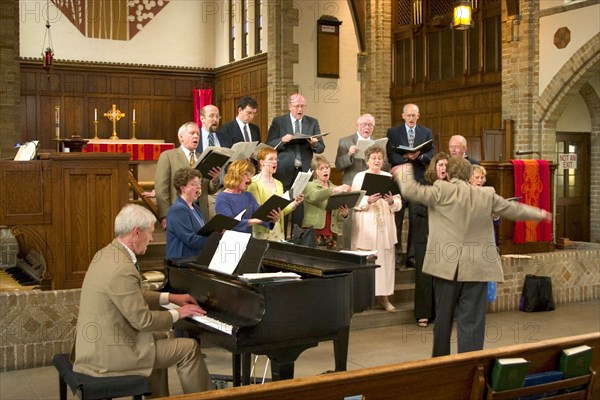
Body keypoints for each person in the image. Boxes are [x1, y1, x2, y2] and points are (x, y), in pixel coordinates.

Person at [394, 158, 552, 357]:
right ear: (469, 176)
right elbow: (513, 209)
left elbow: (411, 190)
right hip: (477, 268)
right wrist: (540, 214)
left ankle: (441, 364)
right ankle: (470, 366)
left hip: (447, 267)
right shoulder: (487, 194)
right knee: (472, 323)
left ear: (449, 174)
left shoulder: (441, 189)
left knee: (443, 320)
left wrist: (405, 169)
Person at [73, 204, 213, 397]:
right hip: (109, 354)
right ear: (136, 232)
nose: (152, 238)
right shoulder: (122, 269)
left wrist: (170, 297)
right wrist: (178, 313)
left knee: (164, 338)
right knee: (189, 348)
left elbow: (131, 296)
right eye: (150, 232)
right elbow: (143, 321)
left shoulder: (107, 253)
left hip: (100, 342)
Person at [351, 145, 402, 312]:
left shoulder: (388, 177)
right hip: (367, 225)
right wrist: (368, 201)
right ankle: (364, 300)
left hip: (385, 227)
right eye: (373, 158)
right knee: (368, 261)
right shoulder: (359, 177)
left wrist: (391, 201)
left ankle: (384, 299)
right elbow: (354, 202)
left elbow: (398, 203)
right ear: (367, 160)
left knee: (385, 263)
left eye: (380, 158)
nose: (377, 161)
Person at [387, 103, 435, 268]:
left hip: (418, 180)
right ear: (403, 116)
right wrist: (407, 157)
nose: (411, 118)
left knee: (417, 220)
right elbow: (391, 154)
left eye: (414, 115)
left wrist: (419, 158)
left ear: (418, 116)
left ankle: (412, 257)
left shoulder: (426, 132)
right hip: (399, 180)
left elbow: (431, 154)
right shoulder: (393, 132)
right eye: (408, 115)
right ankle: (397, 256)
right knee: (397, 220)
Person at [335, 113, 389, 249]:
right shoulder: (345, 141)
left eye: (370, 125)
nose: (367, 127)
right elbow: (338, 165)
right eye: (364, 124)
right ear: (357, 126)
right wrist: (349, 155)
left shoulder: (378, 144)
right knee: (350, 222)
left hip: (372, 184)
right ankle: (348, 252)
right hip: (352, 185)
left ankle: (369, 252)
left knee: (368, 221)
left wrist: (377, 160)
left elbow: (386, 165)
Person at [155, 121, 221, 230]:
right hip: (179, 210)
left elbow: (208, 189)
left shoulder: (203, 158)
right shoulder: (168, 156)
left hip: (201, 212)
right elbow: (161, 188)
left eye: (198, 134)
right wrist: (165, 215)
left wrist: (214, 179)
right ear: (181, 137)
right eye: (192, 133)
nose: (196, 136)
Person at [411, 152, 449, 327]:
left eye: (446, 166)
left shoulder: (451, 187)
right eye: (440, 165)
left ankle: (440, 312)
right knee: (424, 275)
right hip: (425, 234)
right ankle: (423, 313)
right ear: (434, 167)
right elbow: (417, 208)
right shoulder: (424, 184)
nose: (443, 168)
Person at [266, 93, 325, 191]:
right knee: (285, 203)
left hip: (305, 171)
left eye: (302, 106)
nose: (300, 109)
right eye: (297, 106)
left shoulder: (312, 122)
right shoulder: (279, 122)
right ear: (289, 107)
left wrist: (314, 144)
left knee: (302, 203)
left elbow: (321, 148)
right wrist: (282, 140)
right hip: (284, 171)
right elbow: (269, 144)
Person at [247, 146, 304, 241]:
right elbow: (256, 212)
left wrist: (295, 203)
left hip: (278, 232)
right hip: (262, 232)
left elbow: (281, 211)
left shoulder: (279, 183)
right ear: (262, 162)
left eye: (276, 159)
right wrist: (272, 217)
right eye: (271, 159)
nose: (275, 162)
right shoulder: (254, 183)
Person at [215, 159, 280, 234]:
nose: (249, 178)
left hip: (248, 240)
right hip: (230, 241)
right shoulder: (222, 198)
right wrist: (254, 221)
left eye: (250, 175)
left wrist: (273, 219)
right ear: (236, 176)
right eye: (246, 174)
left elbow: (260, 215)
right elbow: (229, 224)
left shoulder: (249, 196)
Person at [303, 154, 351, 250]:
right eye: (321, 168)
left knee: (330, 263)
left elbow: (338, 217)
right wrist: (332, 190)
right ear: (315, 172)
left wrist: (344, 214)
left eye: (327, 167)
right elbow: (315, 196)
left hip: (331, 233)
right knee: (313, 262)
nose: (325, 170)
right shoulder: (309, 185)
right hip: (314, 231)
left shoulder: (335, 188)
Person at [166, 168, 208, 259]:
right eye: (194, 184)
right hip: (182, 262)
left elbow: (202, 232)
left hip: (195, 259)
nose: (198, 187)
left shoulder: (195, 207)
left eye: (199, 183)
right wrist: (215, 239)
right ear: (183, 188)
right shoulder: (178, 209)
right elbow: (191, 240)